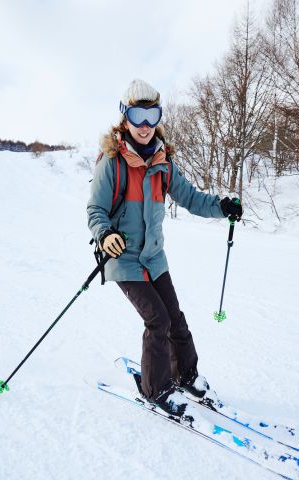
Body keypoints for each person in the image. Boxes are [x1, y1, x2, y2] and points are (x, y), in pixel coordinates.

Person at [87, 79, 243, 418]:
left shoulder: (163, 162)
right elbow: (95, 211)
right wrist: (104, 235)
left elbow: (191, 198)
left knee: (176, 319)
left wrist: (222, 206)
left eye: (152, 114)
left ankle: (186, 377)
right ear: (125, 117)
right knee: (157, 321)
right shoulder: (111, 163)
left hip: (154, 258)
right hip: (124, 259)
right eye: (138, 115)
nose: (145, 125)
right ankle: (156, 391)